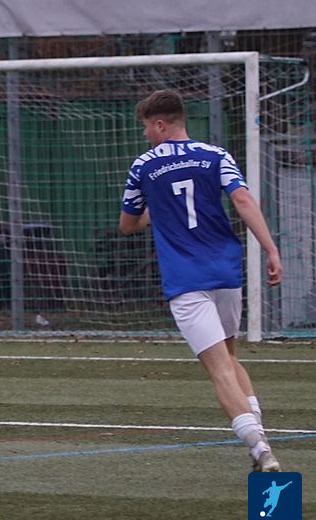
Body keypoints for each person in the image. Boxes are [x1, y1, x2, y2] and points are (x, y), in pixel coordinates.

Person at [119, 89, 283, 473]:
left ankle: (260, 448)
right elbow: (243, 201)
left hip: (185, 279)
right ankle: (259, 441)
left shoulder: (143, 166)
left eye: (146, 127)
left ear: (161, 125)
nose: (145, 134)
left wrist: (156, 212)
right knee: (230, 357)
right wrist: (271, 250)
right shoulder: (216, 155)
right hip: (225, 272)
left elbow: (127, 224)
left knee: (219, 369)